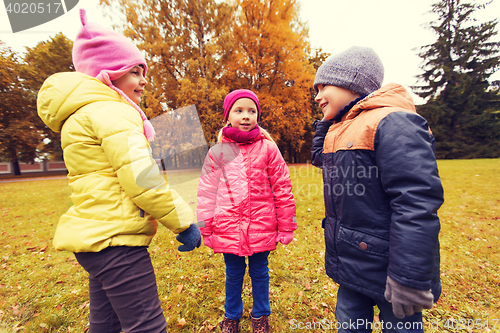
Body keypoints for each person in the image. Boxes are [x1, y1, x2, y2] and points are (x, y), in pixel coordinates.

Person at [37, 9, 201, 333]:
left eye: (143, 72)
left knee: (105, 326)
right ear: (109, 72)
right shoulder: (114, 112)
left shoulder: (81, 114)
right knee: (148, 327)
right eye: (135, 71)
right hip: (118, 243)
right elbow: (142, 180)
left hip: (95, 242)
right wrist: (183, 223)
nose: (143, 80)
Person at [311, 46, 444, 333]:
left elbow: (415, 201)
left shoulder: (392, 122)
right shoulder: (345, 127)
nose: (317, 96)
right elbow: (319, 158)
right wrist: (327, 124)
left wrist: (407, 277)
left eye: (324, 87)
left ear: (352, 82)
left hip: (392, 275)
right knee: (350, 326)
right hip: (353, 265)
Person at [196, 89, 297, 333]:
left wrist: (287, 225)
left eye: (251, 111)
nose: (245, 116)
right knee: (233, 273)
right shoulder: (217, 152)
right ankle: (232, 316)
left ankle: (260, 315)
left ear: (257, 116)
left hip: (261, 227)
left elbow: (282, 188)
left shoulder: (268, 149)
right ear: (227, 117)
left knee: (260, 272)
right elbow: (206, 193)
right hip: (228, 227)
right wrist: (205, 227)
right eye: (239, 111)